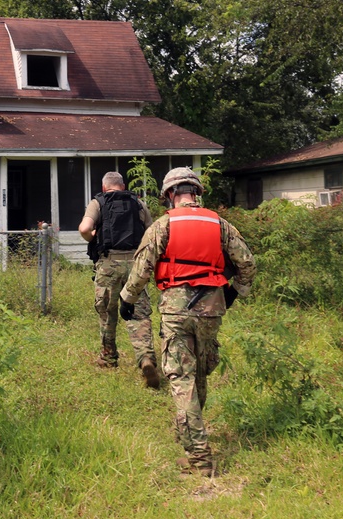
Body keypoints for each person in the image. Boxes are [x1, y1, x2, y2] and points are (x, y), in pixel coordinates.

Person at [118, 167, 256, 476]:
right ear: (197, 193)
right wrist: (234, 293)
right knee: (200, 373)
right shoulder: (220, 225)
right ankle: (188, 432)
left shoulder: (162, 225)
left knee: (181, 379)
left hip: (176, 310)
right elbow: (247, 263)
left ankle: (199, 458)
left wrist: (126, 300)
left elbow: (142, 269)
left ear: (169, 194)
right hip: (211, 310)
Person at [78, 171, 160, 389]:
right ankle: (146, 358)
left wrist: (93, 237)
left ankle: (108, 357)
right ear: (123, 187)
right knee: (139, 312)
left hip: (108, 264)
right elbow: (152, 235)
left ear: (105, 188)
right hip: (136, 265)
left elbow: (84, 229)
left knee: (107, 311)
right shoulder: (139, 204)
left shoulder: (98, 202)